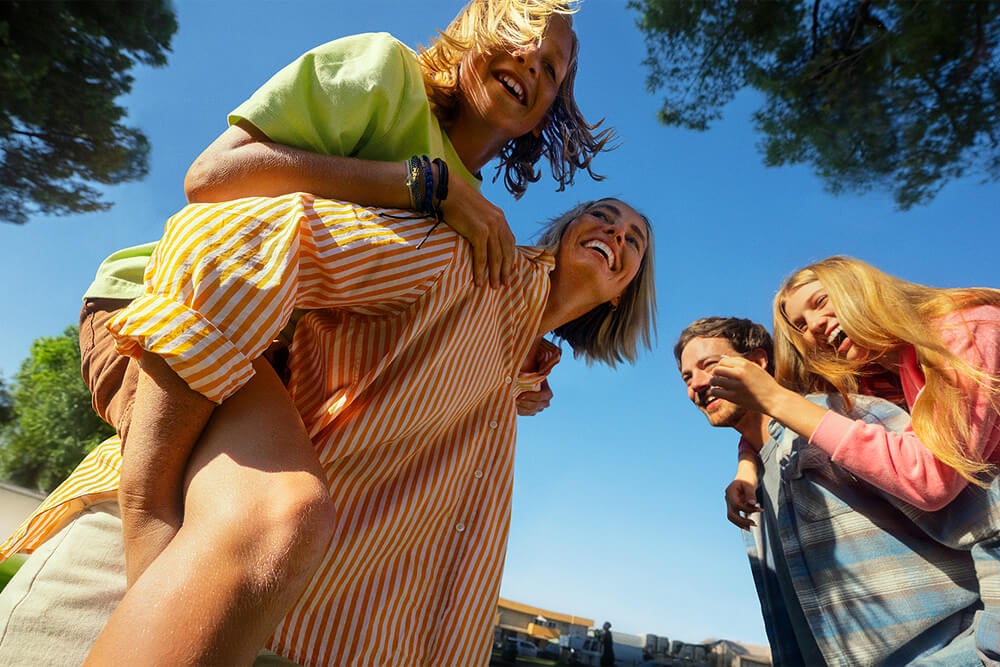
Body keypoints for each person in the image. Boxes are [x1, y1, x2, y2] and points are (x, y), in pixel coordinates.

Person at [74, 0, 610, 647]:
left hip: (265, 363)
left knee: (287, 522)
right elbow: (211, 177)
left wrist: (514, 376)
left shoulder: (474, 213)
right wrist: (423, 183)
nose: (532, 59)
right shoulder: (385, 75)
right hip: (169, 308)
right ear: (472, 32)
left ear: (550, 109)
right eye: (520, 35)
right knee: (256, 516)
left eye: (553, 67)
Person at [0, 195, 656, 666]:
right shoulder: (462, 257)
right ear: (568, 227)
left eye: (634, 238)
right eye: (603, 215)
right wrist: (149, 506)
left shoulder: (521, 367)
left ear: (625, 290)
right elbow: (249, 236)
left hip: (284, 624)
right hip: (162, 569)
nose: (616, 234)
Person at [676, 316, 996, 665]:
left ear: (757, 362)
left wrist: (986, 650)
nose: (698, 385)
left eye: (709, 365)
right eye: (687, 377)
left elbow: (989, 515)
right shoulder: (748, 489)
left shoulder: (841, 417)